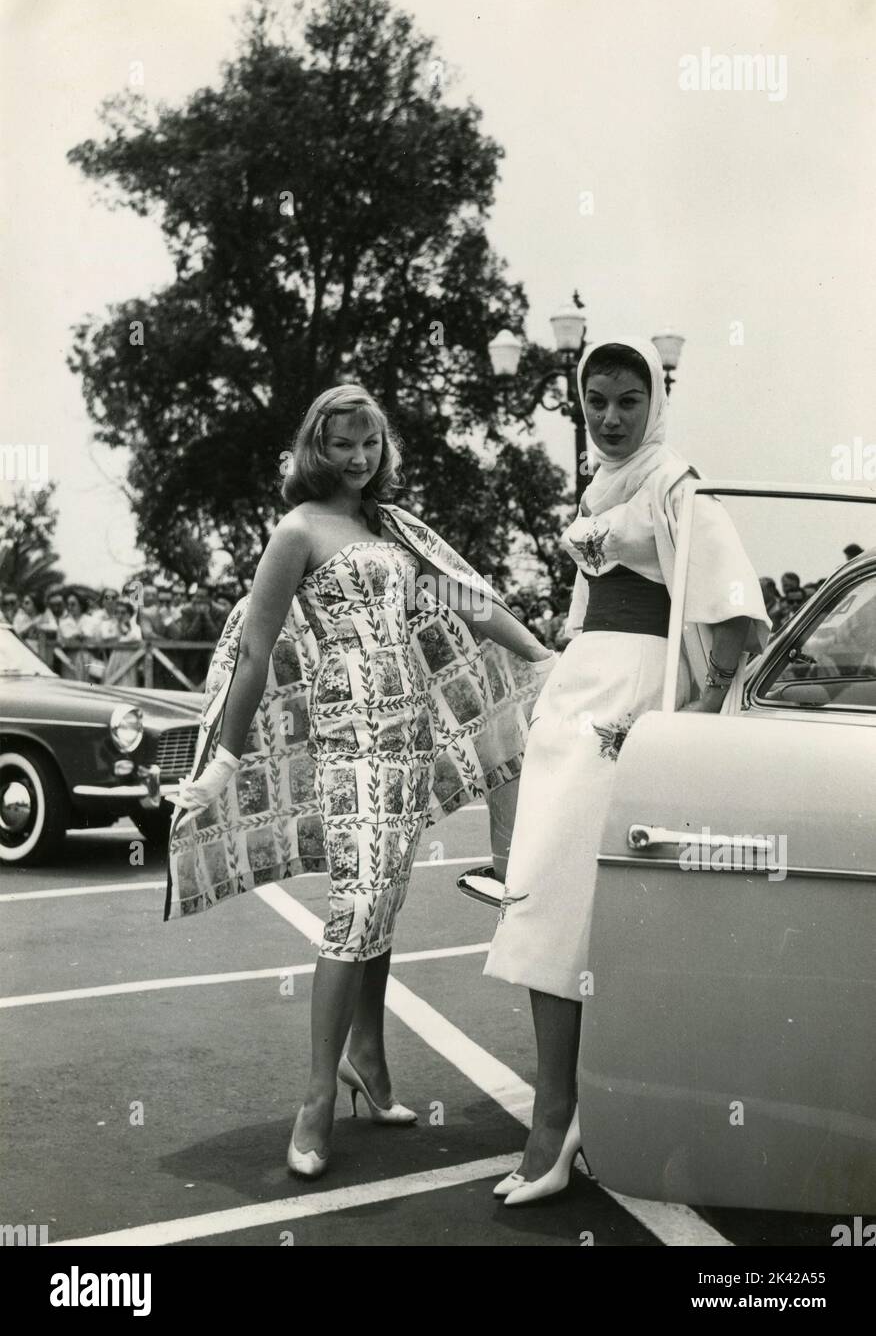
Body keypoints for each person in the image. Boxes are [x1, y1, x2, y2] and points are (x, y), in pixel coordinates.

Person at [164, 384, 554, 1179]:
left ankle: (368, 1062)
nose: (358, 457)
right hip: (348, 748)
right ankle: (315, 1098)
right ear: (316, 447)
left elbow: (470, 606)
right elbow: (254, 651)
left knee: (383, 902)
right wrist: (225, 761)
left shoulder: (395, 528)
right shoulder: (297, 530)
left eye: (369, 443)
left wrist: (549, 660)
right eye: (342, 443)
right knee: (356, 910)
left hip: (407, 741)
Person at [484, 338, 770, 1206]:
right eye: (596, 401)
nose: (610, 418)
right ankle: (566, 1109)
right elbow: (587, 597)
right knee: (542, 892)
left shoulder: (676, 482)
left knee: (595, 904)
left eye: (627, 402)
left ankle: (563, 1115)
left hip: (634, 702)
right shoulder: (598, 484)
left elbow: (734, 619)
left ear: (655, 404)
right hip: (579, 690)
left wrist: (687, 714)